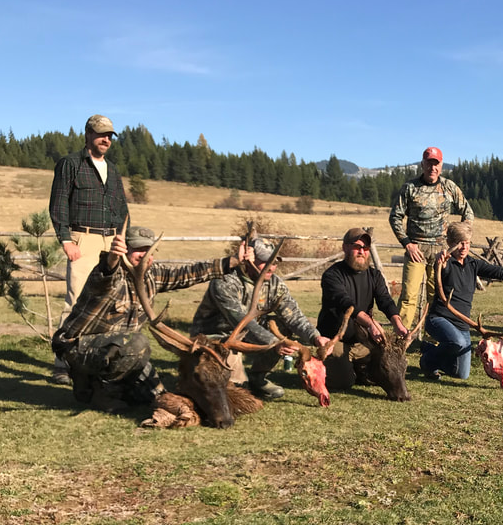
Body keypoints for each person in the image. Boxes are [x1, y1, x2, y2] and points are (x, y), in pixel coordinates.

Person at [51, 225, 246, 412]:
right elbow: (105, 273)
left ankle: (117, 388)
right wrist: (111, 258)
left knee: (156, 396)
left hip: (120, 350)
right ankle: (98, 390)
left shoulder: (151, 275)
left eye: (149, 250)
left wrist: (232, 261)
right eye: (138, 250)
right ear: (124, 250)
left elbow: (188, 273)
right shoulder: (109, 275)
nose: (144, 255)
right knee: (137, 343)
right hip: (78, 348)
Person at [190, 238, 329, 400]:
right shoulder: (225, 282)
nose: (272, 267)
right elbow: (242, 323)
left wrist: (315, 336)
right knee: (235, 392)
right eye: (265, 261)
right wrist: (273, 343)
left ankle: (257, 377)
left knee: (281, 328)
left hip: (245, 337)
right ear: (249, 260)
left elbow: (293, 316)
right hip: (215, 339)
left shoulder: (274, 284)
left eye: (275, 262)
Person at [48, 114, 130, 385]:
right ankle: (63, 364)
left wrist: (122, 240)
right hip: (83, 239)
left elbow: (121, 209)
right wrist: (66, 240)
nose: (106, 139)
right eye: (100, 134)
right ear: (88, 135)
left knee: (110, 304)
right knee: (77, 301)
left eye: (109, 136)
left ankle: (97, 361)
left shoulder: (114, 170)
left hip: (111, 243)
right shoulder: (70, 164)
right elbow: (58, 203)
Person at [420, 223, 503, 380]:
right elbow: (439, 266)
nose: (464, 247)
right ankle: (427, 361)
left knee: (461, 374)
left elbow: (502, 272)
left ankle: (430, 351)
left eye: (467, 242)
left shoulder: (473, 264)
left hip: (462, 324)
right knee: (458, 343)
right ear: (450, 243)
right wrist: (439, 261)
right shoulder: (446, 263)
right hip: (439, 319)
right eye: (459, 243)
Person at [389, 146, 474, 328]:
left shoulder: (449, 187)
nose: (432, 168)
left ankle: (434, 338)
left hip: (442, 252)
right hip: (416, 250)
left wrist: (457, 242)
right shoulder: (410, 188)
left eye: (436, 164)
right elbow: (395, 217)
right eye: (429, 163)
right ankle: (401, 340)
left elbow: (468, 212)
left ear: (441, 166)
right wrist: (407, 244)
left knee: (437, 296)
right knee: (408, 296)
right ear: (422, 164)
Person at [318, 228, 409, 390]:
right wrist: (370, 324)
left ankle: (359, 369)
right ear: (345, 247)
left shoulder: (374, 276)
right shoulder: (332, 276)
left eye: (365, 248)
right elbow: (346, 303)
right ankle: (323, 366)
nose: (362, 251)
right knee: (343, 383)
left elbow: (385, 301)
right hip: (336, 340)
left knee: (382, 370)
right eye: (357, 246)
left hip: (363, 341)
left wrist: (397, 323)